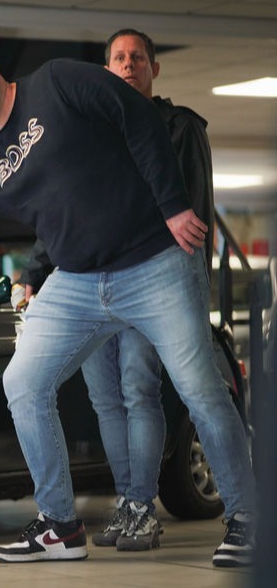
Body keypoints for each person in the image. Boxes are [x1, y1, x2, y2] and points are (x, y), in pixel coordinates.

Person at [0, 38, 256, 567]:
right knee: (23, 382)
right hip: (78, 281)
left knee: (200, 389)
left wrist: (174, 205)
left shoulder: (58, 83)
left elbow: (139, 117)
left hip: (153, 262)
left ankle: (246, 518)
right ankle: (61, 525)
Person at [14, 28, 218, 553]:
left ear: (154, 69)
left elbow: (193, 214)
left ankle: (142, 506)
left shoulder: (180, 126)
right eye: (119, 58)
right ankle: (128, 503)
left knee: (137, 388)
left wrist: (190, 286)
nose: (128, 65)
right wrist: (32, 272)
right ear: (106, 70)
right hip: (89, 284)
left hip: (151, 279)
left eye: (138, 58)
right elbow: (65, 211)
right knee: (105, 399)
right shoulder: (89, 129)